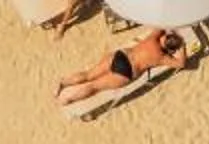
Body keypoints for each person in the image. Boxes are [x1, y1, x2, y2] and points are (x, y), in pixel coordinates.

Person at [56, 27, 199, 106]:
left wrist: (172, 31)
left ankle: (63, 82)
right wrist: (183, 47)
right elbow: (181, 63)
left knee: (89, 74)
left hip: (120, 56)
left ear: (165, 38)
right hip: (126, 72)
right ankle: (67, 100)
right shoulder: (162, 57)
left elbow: (163, 25)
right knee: (94, 86)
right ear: (171, 49)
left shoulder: (154, 38)